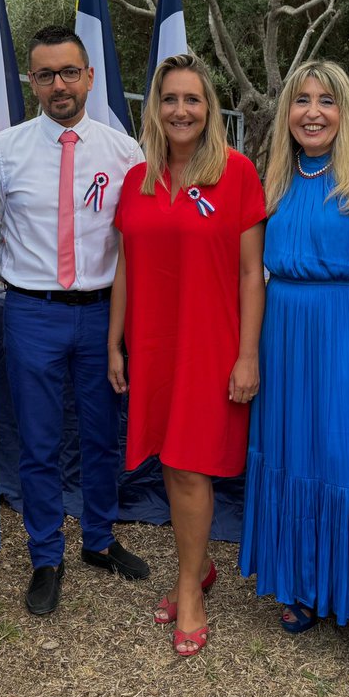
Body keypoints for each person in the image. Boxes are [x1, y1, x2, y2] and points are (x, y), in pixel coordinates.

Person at [239, 60, 349, 697]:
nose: (312, 112)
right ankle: (304, 586)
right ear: (287, 112)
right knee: (291, 456)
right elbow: (252, 270)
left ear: (344, 111)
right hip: (283, 331)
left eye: (326, 101)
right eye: (301, 100)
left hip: (343, 327)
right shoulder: (274, 178)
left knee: (345, 463)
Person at [0, 25, 149, 618]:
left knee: (102, 434)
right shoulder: (4, 149)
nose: (59, 85)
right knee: (39, 439)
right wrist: (13, 276)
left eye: (69, 72)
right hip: (32, 311)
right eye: (46, 74)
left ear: (89, 77)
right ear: (32, 81)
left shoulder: (124, 152)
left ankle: (98, 539)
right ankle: (46, 555)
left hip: (103, 314)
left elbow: (133, 239)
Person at [107, 54, 266, 657]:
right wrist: (114, 341)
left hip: (209, 345)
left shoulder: (237, 173)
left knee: (190, 465)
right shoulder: (137, 179)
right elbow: (126, 266)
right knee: (170, 465)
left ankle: (191, 590)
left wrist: (247, 355)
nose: (180, 110)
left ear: (209, 108)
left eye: (191, 99)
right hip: (152, 345)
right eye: (169, 99)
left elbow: (252, 273)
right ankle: (197, 569)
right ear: (155, 108)